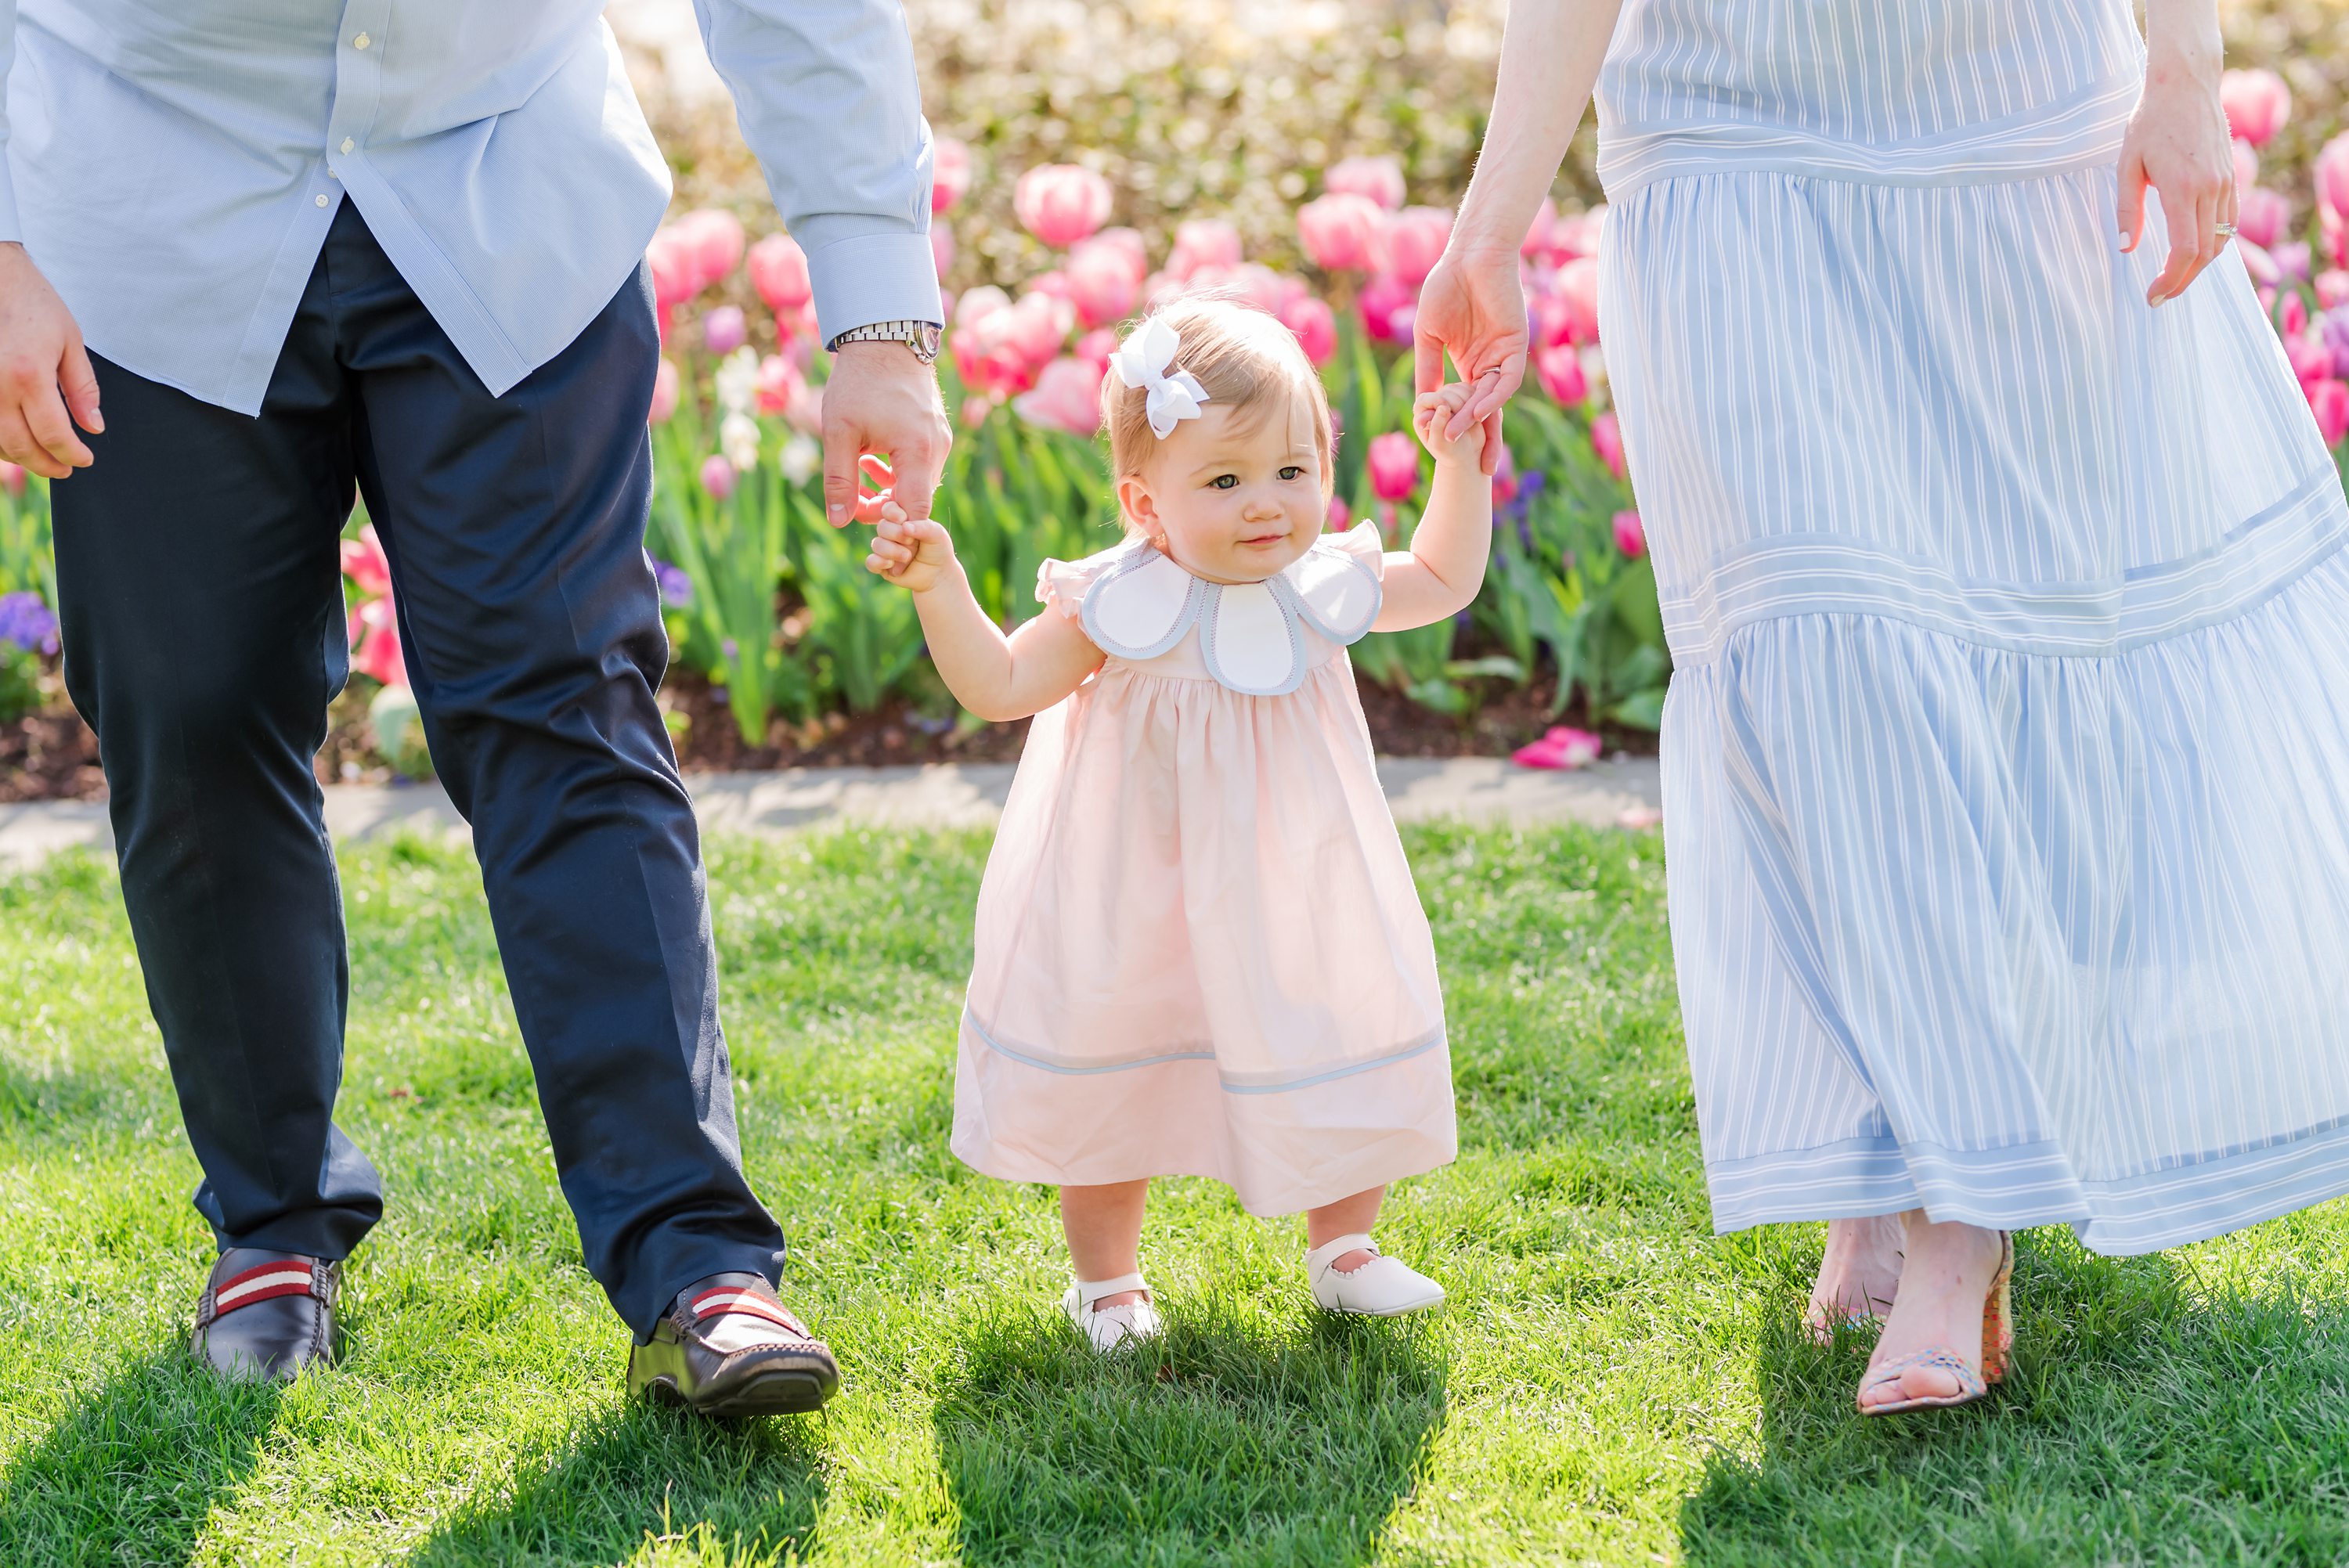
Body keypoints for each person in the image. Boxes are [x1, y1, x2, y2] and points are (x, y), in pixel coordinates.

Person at [0, 2, 951, 1415]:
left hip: (506, 204)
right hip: (144, 221)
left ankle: (696, 1264)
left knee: (568, 704)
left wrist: (880, 316)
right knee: (190, 712)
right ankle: (272, 1227)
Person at [1417, 0, 2349, 1412]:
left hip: (2013, 116)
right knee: (1814, 661)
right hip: (1725, 139)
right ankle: (1943, 1196)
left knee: (2014, 628)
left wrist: (2184, 65)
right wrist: (1490, 225)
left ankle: (1925, 1174)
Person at [860, 297, 1485, 1346]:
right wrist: (943, 587)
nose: (1268, 505)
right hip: (1137, 885)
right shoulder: (1116, 604)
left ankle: (1346, 1247)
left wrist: (1460, 464)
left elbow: (1448, 577)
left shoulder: (1318, 584)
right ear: (1145, 503)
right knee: (1121, 1046)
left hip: (1296, 876)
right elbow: (1001, 684)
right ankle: (1106, 1282)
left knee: (1336, 1015)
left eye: (1293, 471)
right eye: (1226, 480)